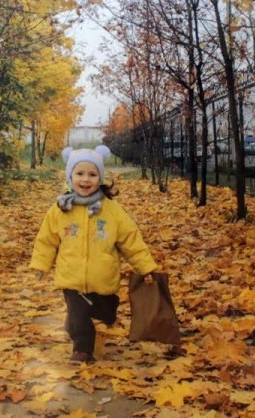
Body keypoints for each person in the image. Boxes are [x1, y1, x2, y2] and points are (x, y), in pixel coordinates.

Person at [29, 145, 159, 365]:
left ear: (100, 178)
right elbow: (46, 240)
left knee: (104, 313)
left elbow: (130, 240)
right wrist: (41, 265)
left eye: (92, 174)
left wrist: (146, 267)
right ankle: (82, 350)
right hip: (71, 276)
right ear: (70, 177)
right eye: (80, 174)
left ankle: (83, 320)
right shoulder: (60, 209)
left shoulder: (112, 210)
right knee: (79, 314)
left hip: (104, 277)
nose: (85, 179)